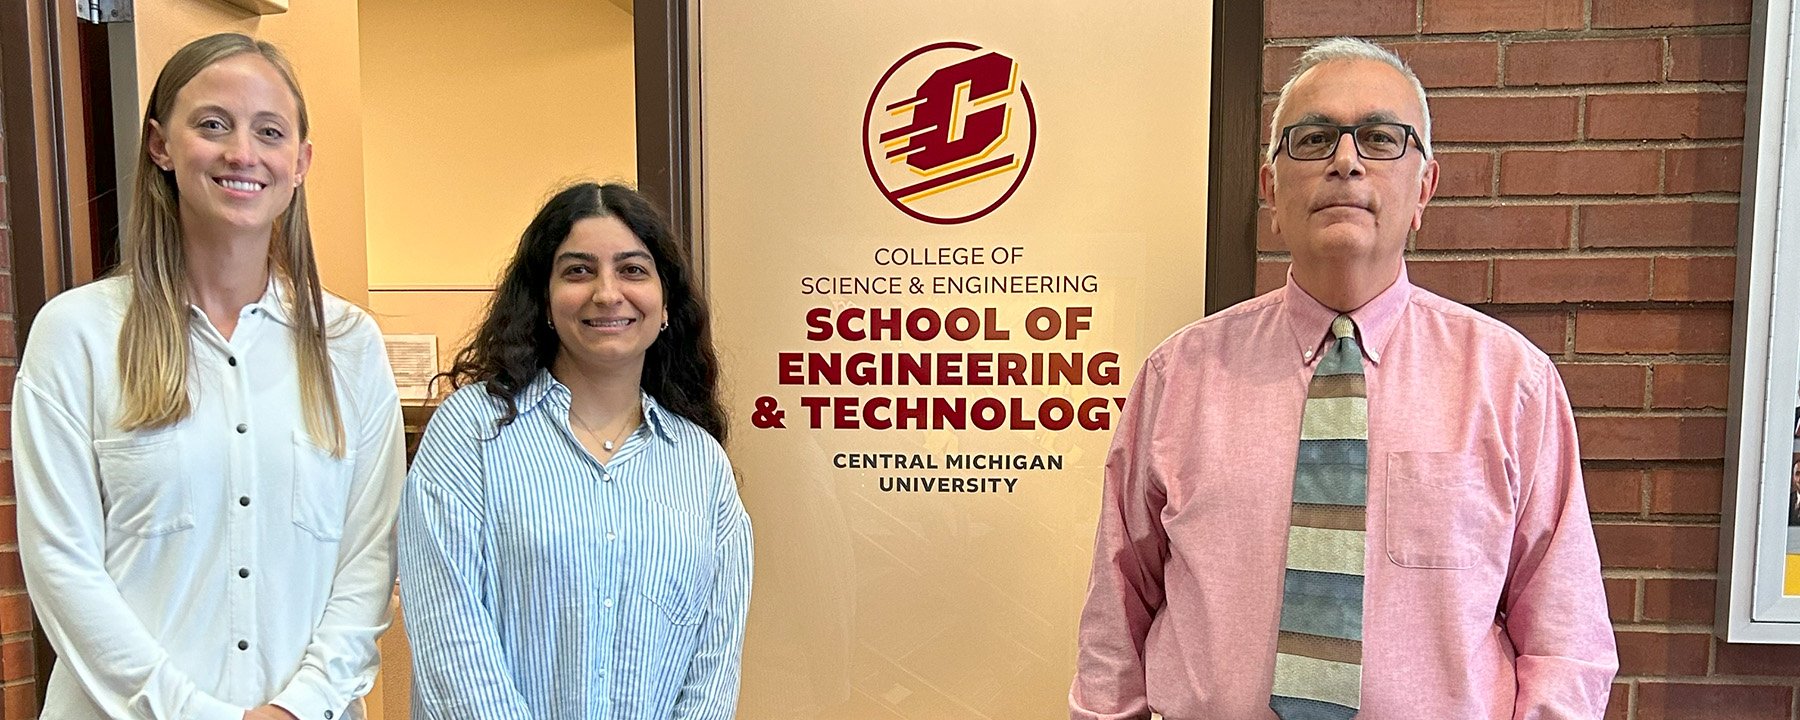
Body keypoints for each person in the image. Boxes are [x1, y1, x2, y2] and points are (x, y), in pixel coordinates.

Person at [1070, 37, 1617, 720]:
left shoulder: (1512, 384)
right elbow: (1114, 620)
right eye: (1314, 138)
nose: (1346, 161)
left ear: (1424, 188)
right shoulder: (1178, 378)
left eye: (1382, 138)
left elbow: (1566, 639)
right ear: (1271, 189)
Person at [13, 33, 406, 720]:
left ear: (300, 162)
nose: (241, 153)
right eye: (213, 125)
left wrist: (297, 707)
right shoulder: (77, 335)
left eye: (269, 131)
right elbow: (61, 566)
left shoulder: (349, 345)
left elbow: (369, 562)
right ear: (161, 144)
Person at [397, 182, 752, 719]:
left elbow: (714, 665)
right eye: (578, 270)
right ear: (542, 299)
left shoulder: (700, 463)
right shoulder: (471, 432)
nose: (607, 293)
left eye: (633, 269)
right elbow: (452, 645)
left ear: (665, 306)